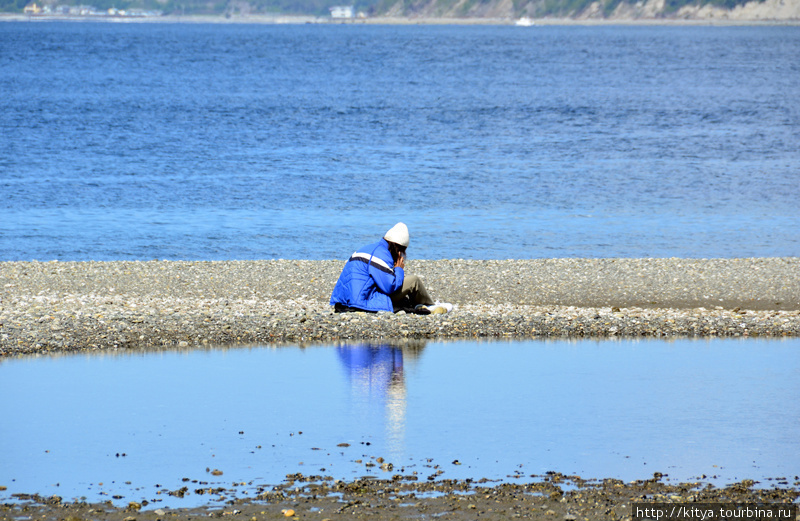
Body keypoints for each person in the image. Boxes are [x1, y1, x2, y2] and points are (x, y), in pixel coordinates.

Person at [330, 223, 452, 314]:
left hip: (344, 299)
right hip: (361, 301)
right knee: (414, 281)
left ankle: (421, 304)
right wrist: (399, 269)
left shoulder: (367, 249)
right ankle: (429, 305)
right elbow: (389, 288)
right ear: (398, 248)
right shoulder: (382, 255)